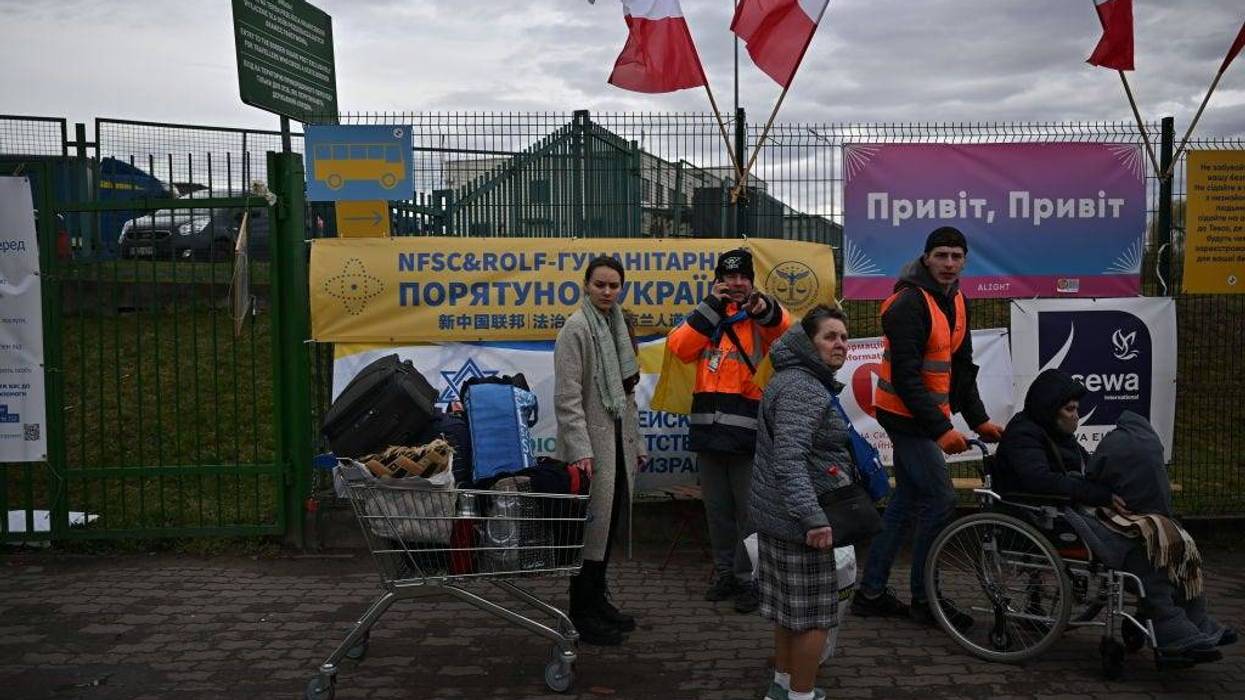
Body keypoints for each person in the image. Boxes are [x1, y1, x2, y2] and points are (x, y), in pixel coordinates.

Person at [853, 226, 1003, 629]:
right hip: (903, 417)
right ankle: (925, 600)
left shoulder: (956, 298)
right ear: (926, 257)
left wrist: (979, 419)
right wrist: (940, 429)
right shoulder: (909, 304)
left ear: (965, 260)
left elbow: (963, 368)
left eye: (957, 256)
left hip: (923, 418)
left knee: (906, 502)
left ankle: (870, 593)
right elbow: (906, 377)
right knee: (939, 500)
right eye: (942, 256)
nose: (949, 264)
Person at [666, 248, 791, 613]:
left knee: (750, 514)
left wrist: (762, 307)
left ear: (752, 281)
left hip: (749, 435)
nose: (735, 284)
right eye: (728, 278)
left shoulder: (760, 317)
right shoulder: (708, 317)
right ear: (717, 280)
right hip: (709, 434)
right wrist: (710, 307)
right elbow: (679, 347)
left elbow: (789, 332)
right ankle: (724, 574)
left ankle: (749, 578)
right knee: (717, 512)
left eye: (742, 278)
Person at [751, 305, 854, 700]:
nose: (840, 344)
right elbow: (789, 459)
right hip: (800, 520)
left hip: (779, 515)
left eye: (844, 338)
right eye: (830, 337)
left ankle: (782, 684)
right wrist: (813, 518)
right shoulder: (803, 388)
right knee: (814, 618)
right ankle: (802, 694)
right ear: (807, 342)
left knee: (788, 612)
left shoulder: (792, 378)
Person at [554, 255, 643, 646]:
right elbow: (567, 397)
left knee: (605, 532)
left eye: (613, 285)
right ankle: (581, 613)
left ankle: (599, 602)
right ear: (585, 286)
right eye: (600, 285)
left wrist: (635, 442)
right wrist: (580, 451)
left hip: (619, 443)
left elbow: (628, 394)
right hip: (592, 449)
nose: (607, 291)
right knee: (589, 532)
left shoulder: (618, 326)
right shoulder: (575, 329)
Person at [992, 368, 1118, 508]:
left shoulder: (1054, 429)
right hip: (1032, 510)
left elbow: (1088, 465)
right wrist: (1099, 496)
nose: (1076, 416)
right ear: (1050, 410)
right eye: (1070, 409)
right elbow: (1040, 481)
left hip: (1055, 505)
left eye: (1076, 409)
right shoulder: (1022, 433)